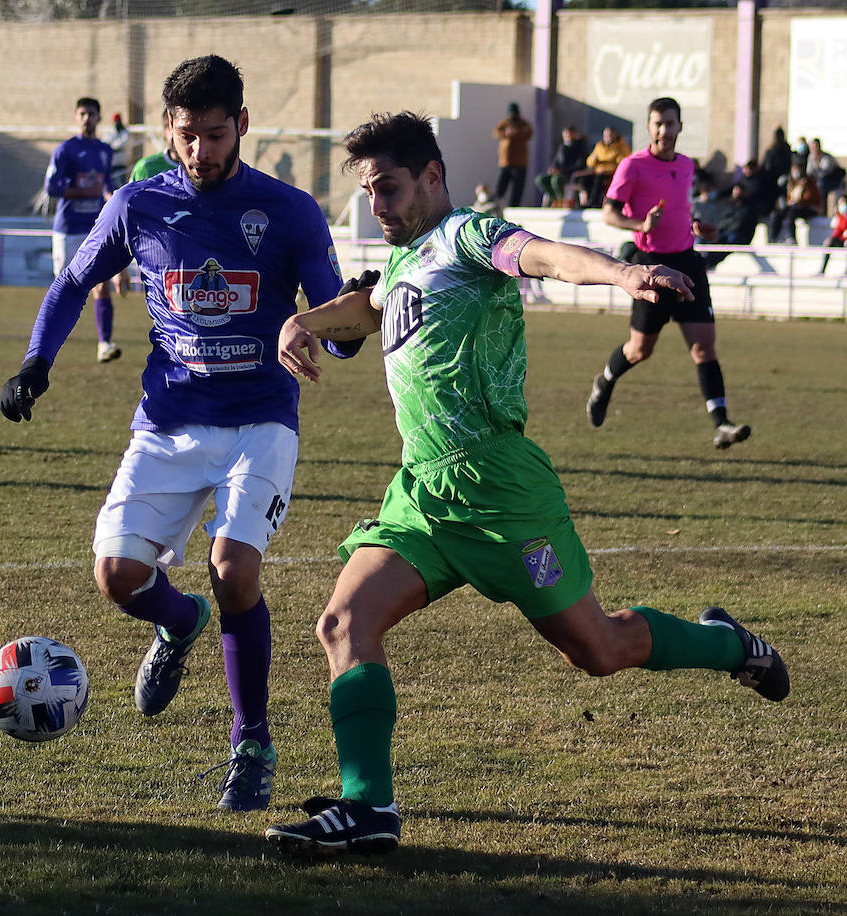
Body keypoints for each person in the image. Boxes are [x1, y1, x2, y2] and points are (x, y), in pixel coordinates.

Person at [262, 111, 790, 858]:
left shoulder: (468, 237)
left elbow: (541, 255)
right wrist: (303, 321)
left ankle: (731, 646)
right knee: (343, 624)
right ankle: (367, 807)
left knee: (600, 651)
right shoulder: (409, 259)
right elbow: (368, 307)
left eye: (388, 189)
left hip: (502, 489)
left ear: (433, 178)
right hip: (423, 494)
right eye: (369, 192)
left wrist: (622, 272)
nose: (376, 205)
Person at [0, 55, 363, 812]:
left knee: (234, 569)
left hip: (261, 419)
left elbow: (341, 317)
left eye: (216, 134)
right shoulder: (138, 204)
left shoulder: (288, 210)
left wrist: (328, 332)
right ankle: (179, 621)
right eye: (188, 136)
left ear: (243, 128)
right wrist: (37, 362)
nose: (201, 151)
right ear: (168, 131)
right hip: (166, 423)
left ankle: (251, 741)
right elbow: (72, 282)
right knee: (116, 579)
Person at [585, 98, 752, 451]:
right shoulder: (632, 165)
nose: (664, 130)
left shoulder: (687, 166)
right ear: (649, 127)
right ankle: (605, 381)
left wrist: (696, 226)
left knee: (704, 348)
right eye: (658, 124)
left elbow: (678, 208)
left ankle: (721, 424)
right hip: (651, 266)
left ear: (680, 127)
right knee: (640, 350)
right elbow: (610, 214)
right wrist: (640, 224)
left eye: (670, 123)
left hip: (688, 263)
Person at [45, 97, 121, 363]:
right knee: (64, 287)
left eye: (92, 113)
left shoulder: (104, 150)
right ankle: (48, 344)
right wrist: (82, 192)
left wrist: (110, 196)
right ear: (76, 118)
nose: (87, 118)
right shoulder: (65, 150)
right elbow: (51, 188)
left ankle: (105, 344)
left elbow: (106, 184)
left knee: (101, 285)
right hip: (67, 228)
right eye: (83, 113)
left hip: (94, 228)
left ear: (99, 118)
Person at [702, 182, 760, 271]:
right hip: (726, 232)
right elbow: (723, 221)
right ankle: (705, 262)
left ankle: (709, 264)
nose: (737, 193)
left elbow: (743, 225)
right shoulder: (728, 205)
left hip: (740, 235)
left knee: (730, 240)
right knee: (713, 239)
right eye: (735, 190)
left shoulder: (749, 208)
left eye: (739, 191)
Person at [768, 161, 823, 244]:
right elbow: (790, 199)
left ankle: (791, 237)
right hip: (794, 206)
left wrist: (801, 189)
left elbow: (807, 199)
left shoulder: (808, 183)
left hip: (807, 208)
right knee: (776, 214)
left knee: (791, 214)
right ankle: (773, 239)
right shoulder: (791, 182)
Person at [533, 125, 588, 207]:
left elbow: (580, 164)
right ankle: (554, 198)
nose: (566, 137)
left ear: (573, 134)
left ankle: (561, 200)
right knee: (540, 179)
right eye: (565, 135)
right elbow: (556, 161)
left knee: (556, 180)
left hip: (570, 175)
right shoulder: (562, 147)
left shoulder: (579, 147)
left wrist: (562, 170)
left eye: (568, 134)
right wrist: (552, 168)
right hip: (559, 173)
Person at [492, 102, 532, 208]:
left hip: (520, 162)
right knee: (501, 185)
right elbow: (496, 132)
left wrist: (516, 133)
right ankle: (496, 204)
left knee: (517, 188)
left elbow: (528, 133)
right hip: (506, 161)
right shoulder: (505, 123)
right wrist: (506, 133)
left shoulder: (523, 124)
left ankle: (514, 206)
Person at [581, 125, 630, 208]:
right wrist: (594, 159)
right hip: (598, 171)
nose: (607, 138)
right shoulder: (599, 146)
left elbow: (622, 163)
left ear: (615, 136)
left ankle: (594, 202)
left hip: (612, 173)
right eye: (606, 136)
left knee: (598, 180)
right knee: (585, 180)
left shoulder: (620, 147)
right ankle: (586, 200)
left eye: (610, 136)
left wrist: (605, 169)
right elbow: (590, 162)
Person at [805, 138, 844, 214]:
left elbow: (824, 174)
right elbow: (809, 172)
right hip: (820, 181)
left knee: (821, 186)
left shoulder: (826, 158)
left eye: (815, 147)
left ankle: (823, 211)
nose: (813, 149)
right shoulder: (811, 157)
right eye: (811, 147)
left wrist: (816, 164)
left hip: (834, 181)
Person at [819, 197, 847, 274]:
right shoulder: (839, 217)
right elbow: (837, 231)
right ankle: (822, 270)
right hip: (841, 240)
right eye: (840, 203)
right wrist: (831, 239)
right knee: (829, 243)